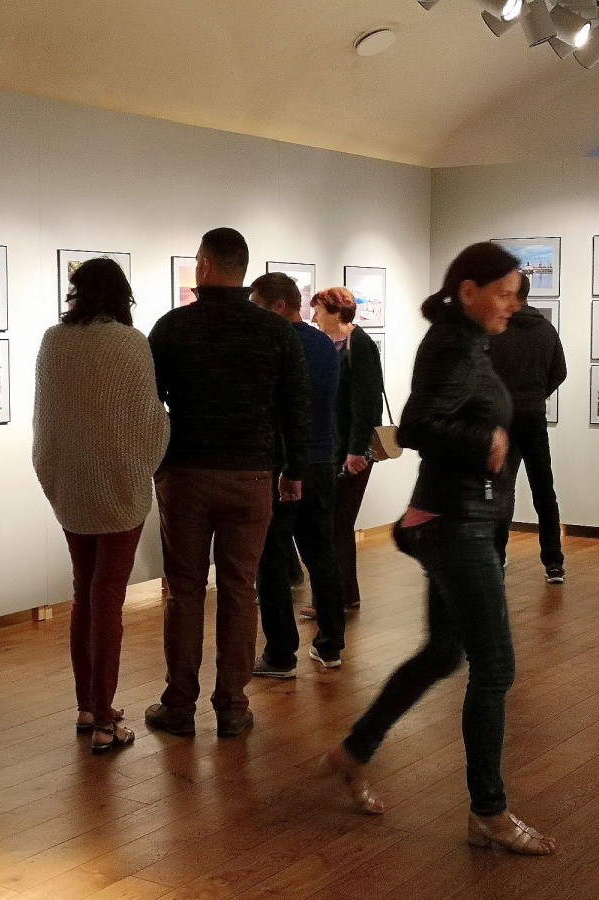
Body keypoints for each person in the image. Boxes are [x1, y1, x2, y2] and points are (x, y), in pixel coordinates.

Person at [321, 242, 556, 857]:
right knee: (495, 666)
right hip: (457, 522)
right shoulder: (454, 344)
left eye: (517, 294)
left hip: (459, 515)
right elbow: (419, 424)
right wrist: (486, 441)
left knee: (444, 652)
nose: (514, 305)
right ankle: (489, 812)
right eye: (505, 294)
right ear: (469, 291)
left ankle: (354, 751)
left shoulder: (467, 339)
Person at [145, 228, 311, 738]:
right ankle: (233, 707)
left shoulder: (173, 327)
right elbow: (296, 408)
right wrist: (295, 471)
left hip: (186, 475)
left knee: (185, 590)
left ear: (203, 266)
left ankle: (179, 704)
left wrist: (155, 463)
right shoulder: (276, 332)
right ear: (243, 270)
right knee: (241, 590)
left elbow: (150, 403)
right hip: (251, 476)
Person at [33, 257, 169, 753]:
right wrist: (144, 458)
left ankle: (88, 706)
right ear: (120, 294)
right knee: (107, 596)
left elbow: (46, 420)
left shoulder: (53, 341)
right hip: (119, 486)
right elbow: (149, 420)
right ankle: (105, 722)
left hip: (71, 485)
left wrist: (54, 473)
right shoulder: (132, 343)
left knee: (83, 593)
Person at [250, 272, 345, 673]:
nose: (252, 313)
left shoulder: (274, 343)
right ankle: (331, 645)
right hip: (322, 461)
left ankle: (280, 653)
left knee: (272, 558)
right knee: (322, 553)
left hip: (285, 463)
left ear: (278, 306)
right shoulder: (323, 343)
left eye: (256, 305)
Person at [486, 272, 567, 583]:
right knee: (544, 489)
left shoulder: (497, 328)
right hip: (533, 415)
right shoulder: (545, 328)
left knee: (501, 488)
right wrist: (537, 394)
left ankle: (497, 555)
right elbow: (559, 371)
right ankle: (554, 562)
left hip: (502, 419)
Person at [307, 287, 383, 615]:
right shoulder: (328, 345)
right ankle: (343, 596)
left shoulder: (359, 344)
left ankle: (335, 599)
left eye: (319, 311)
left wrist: (356, 451)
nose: (314, 318)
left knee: (334, 523)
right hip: (334, 447)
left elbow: (366, 403)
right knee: (333, 524)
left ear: (337, 312)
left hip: (352, 452)